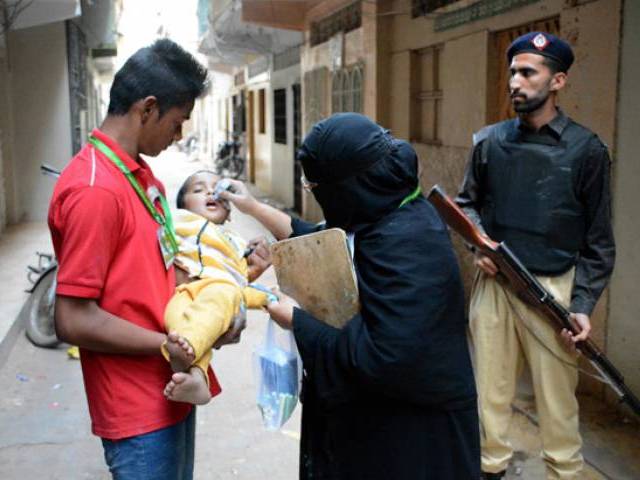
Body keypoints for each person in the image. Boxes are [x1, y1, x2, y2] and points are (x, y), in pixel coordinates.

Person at [48, 40, 270, 479]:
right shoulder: (96, 190)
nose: (178, 135)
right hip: (137, 407)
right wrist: (166, 345)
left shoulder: (140, 176)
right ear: (147, 109)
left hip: (172, 388)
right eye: (177, 121)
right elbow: (72, 319)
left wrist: (226, 288)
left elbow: (159, 271)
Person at [218, 113, 480, 479]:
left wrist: (298, 320)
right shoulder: (384, 215)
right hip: (379, 427)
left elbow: (384, 357)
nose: (316, 196)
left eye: (316, 188)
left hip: (413, 439)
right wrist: (252, 207)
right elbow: (323, 238)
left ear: (345, 190)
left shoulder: (406, 244)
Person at [455, 32, 615, 479]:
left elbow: (599, 241)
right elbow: (465, 203)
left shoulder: (588, 150)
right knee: (489, 394)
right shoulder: (489, 142)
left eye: (528, 72)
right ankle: (490, 469)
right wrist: (478, 242)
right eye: (512, 72)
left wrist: (582, 306)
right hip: (495, 284)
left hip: (553, 289)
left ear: (558, 80)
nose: (515, 82)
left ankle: (564, 472)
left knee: (558, 402)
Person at [161, 170, 271, 405]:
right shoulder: (181, 222)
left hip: (212, 295)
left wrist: (265, 295)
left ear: (229, 213)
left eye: (216, 188)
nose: (210, 192)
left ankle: (194, 372)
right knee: (196, 325)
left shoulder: (234, 241)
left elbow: (238, 284)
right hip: (184, 295)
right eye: (198, 190)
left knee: (207, 318)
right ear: (183, 206)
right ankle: (191, 364)